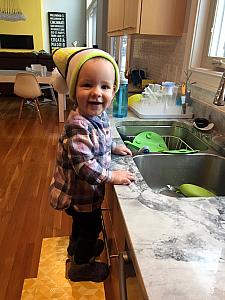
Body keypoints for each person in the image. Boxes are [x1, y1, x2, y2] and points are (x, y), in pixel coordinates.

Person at [49, 47, 135, 282]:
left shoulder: (97, 115)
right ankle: (80, 266)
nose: (97, 93)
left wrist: (112, 148)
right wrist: (113, 176)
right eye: (87, 85)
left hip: (86, 195)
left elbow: (99, 140)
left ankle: (75, 248)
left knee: (81, 225)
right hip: (81, 195)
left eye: (105, 87)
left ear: (113, 91)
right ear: (73, 90)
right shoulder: (78, 124)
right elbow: (85, 166)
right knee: (90, 228)